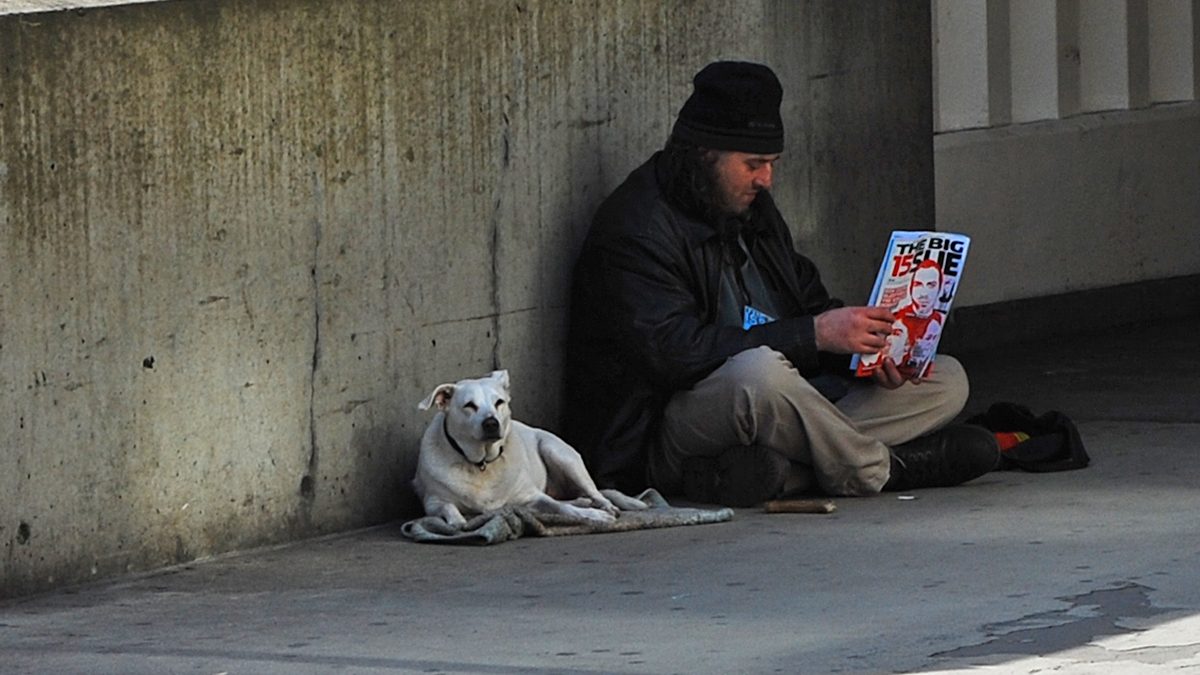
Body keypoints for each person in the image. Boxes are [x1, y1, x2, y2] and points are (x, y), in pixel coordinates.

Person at [564, 61, 998, 506]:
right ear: (704, 154)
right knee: (759, 374)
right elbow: (675, 355)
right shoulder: (637, 229)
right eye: (753, 164)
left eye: (771, 163)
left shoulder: (752, 207)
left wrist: (868, 353)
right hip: (672, 428)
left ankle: (781, 474)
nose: (766, 179)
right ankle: (883, 469)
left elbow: (807, 304)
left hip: (779, 405)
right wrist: (815, 335)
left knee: (945, 379)